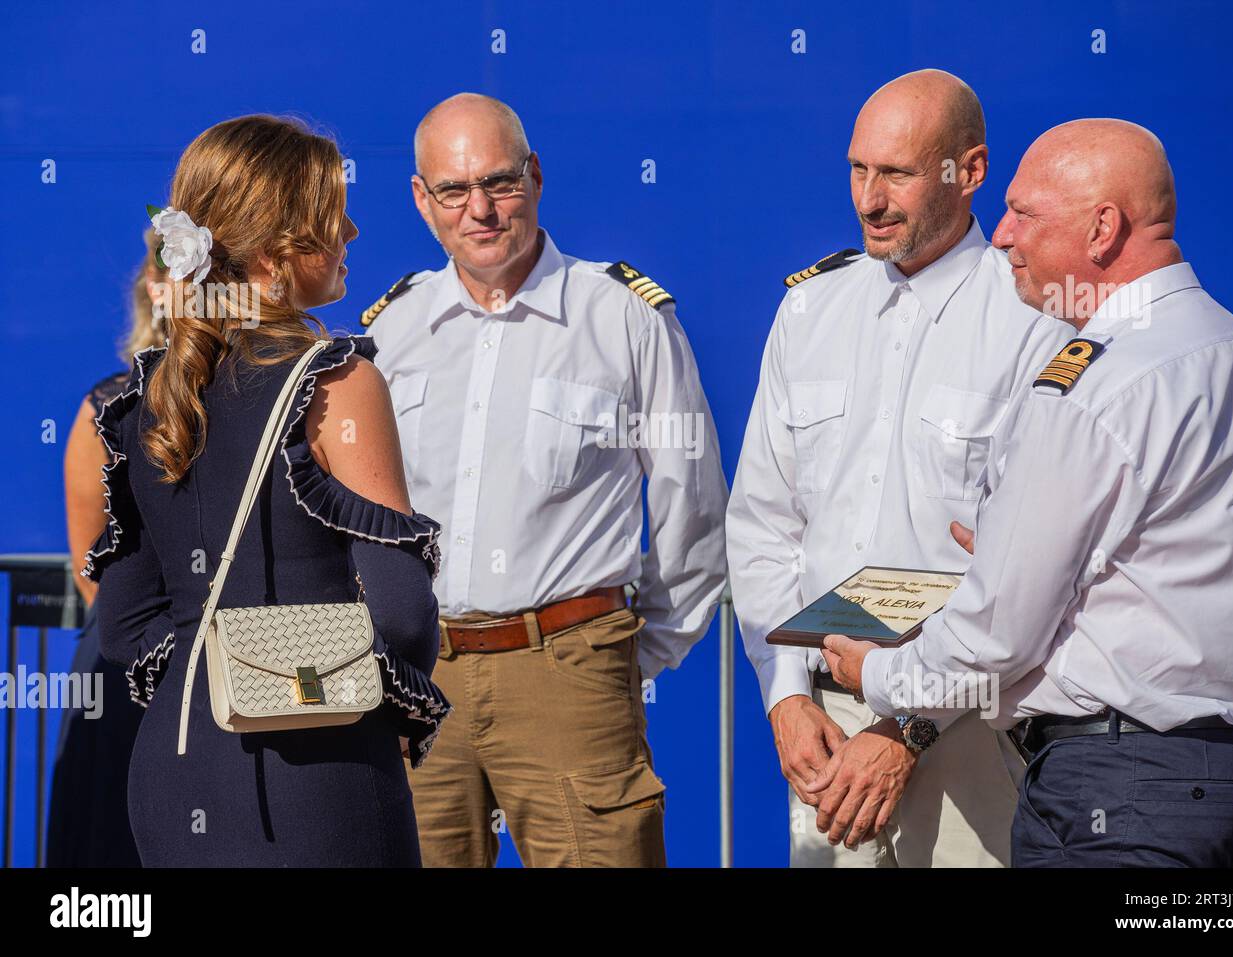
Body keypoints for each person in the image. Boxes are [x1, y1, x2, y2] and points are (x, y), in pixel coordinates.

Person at [828, 118, 1233, 867]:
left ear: (1103, 229)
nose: (1006, 236)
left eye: (1027, 213)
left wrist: (877, 674)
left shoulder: (1092, 384)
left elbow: (995, 635)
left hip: (1123, 793)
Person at [363, 92, 729, 867]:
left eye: (499, 182)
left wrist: (622, 654)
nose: (481, 210)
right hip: (418, 680)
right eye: (455, 190)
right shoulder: (389, 332)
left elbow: (691, 509)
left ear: (535, 175)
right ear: (422, 201)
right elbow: (361, 517)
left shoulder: (625, 317)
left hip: (570, 670)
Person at [726, 70, 1073, 868]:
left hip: (970, 733)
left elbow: (1033, 565)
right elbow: (764, 522)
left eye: (898, 173)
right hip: (823, 727)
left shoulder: (1037, 322)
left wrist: (910, 723)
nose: (869, 199)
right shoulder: (809, 311)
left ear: (971, 170)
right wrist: (784, 693)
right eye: (857, 169)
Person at [85, 114, 449, 867]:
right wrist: (333, 688)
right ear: (278, 253)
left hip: (171, 764)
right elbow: (404, 614)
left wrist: (209, 673)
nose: (352, 228)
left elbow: (122, 623)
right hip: (314, 772)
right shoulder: (337, 380)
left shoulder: (137, 394)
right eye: (330, 214)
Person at [48, 230, 168, 867]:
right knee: (114, 853)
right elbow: (91, 564)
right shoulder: (105, 407)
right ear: (153, 291)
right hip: (125, 668)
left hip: (237, 667)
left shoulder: (264, 401)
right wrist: (151, 645)